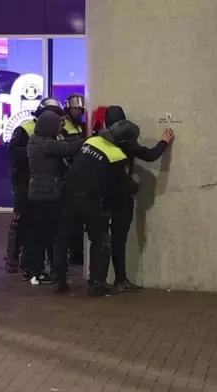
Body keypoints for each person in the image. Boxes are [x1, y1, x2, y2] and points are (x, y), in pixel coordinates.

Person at [54, 119, 141, 297]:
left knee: (62, 238)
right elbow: (125, 185)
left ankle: (59, 281)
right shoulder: (117, 155)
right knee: (101, 240)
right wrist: (136, 185)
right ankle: (96, 284)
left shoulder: (91, 141)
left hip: (67, 193)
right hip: (89, 199)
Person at [103, 106, 175, 291]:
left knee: (102, 239)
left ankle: (99, 280)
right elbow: (150, 156)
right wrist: (164, 142)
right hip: (122, 197)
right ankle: (120, 280)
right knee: (119, 239)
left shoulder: (99, 141)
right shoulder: (128, 143)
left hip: (102, 196)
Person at [5, 98, 66, 279]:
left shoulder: (57, 131)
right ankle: (13, 259)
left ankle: (42, 263)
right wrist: (38, 151)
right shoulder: (25, 128)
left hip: (46, 182)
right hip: (25, 180)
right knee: (21, 219)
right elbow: (13, 152)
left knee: (43, 226)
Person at [25, 111, 84, 284]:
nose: (62, 127)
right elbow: (68, 148)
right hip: (46, 195)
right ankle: (37, 271)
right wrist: (91, 139)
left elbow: (66, 144)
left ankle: (41, 270)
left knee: (42, 235)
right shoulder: (44, 144)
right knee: (44, 236)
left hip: (42, 193)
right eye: (59, 125)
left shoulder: (38, 141)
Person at [61, 93, 87, 267]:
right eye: (76, 108)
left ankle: (77, 255)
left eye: (80, 108)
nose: (79, 111)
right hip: (66, 174)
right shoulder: (62, 124)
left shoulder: (81, 124)